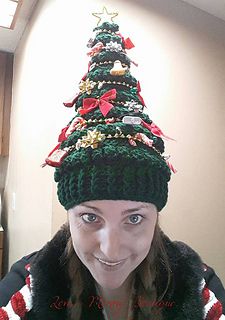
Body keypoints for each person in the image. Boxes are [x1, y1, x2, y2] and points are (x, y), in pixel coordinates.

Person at [0, 17, 225, 320]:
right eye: (90, 217)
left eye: (134, 218)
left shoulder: (198, 287)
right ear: (69, 212)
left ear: (156, 216)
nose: (111, 250)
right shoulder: (25, 287)